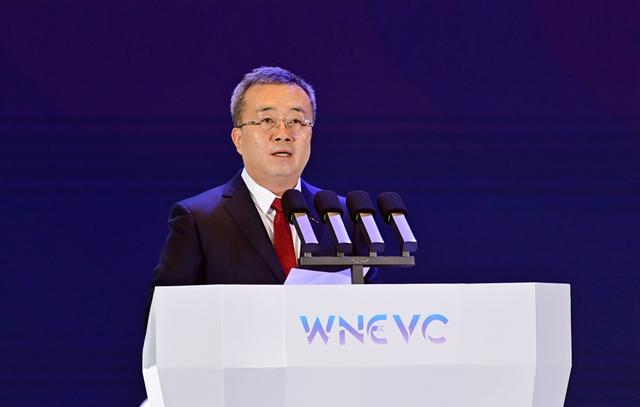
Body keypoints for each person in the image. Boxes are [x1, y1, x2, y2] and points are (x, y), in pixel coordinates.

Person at [147, 67, 374, 319]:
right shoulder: (199, 219)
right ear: (238, 139)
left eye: (296, 121)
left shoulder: (342, 217)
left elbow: (372, 315)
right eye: (267, 121)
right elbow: (167, 320)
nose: (283, 134)